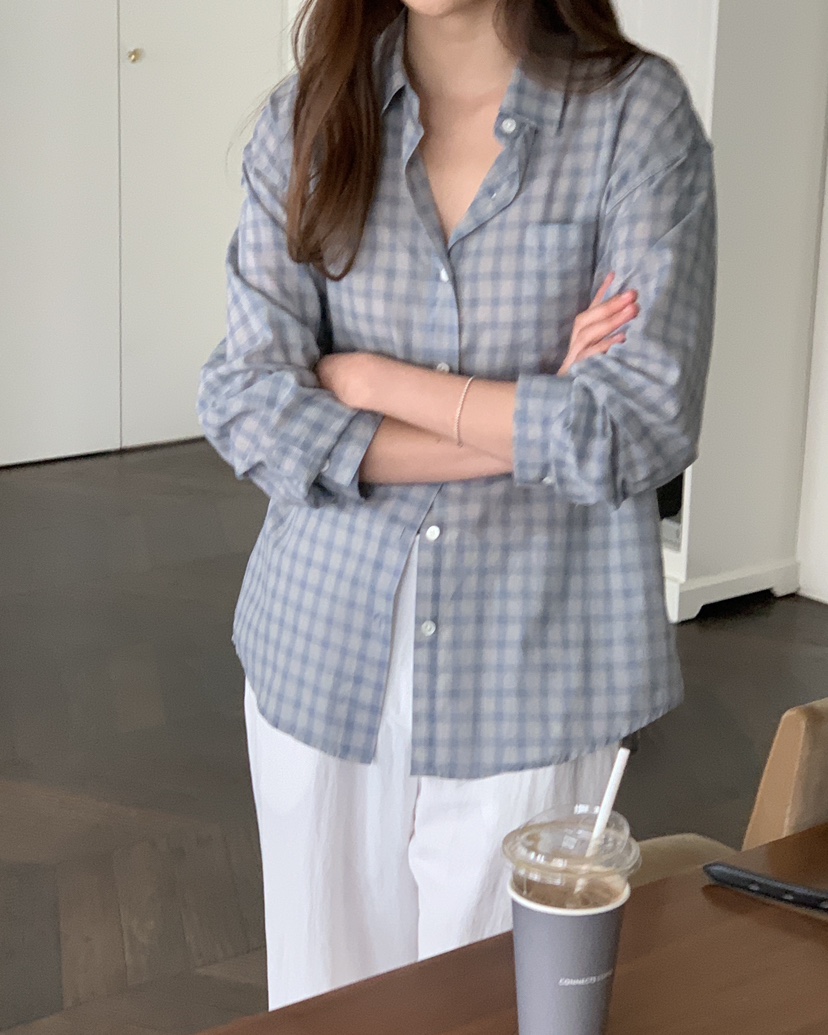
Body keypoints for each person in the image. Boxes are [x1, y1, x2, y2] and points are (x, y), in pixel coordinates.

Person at [197, 0, 717, 1010]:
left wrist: (368, 380)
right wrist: (530, 409)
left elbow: (636, 425)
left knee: (490, 1010)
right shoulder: (307, 121)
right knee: (324, 1010)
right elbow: (248, 402)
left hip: (534, 659)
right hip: (318, 650)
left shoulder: (633, 117)